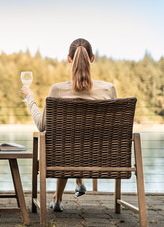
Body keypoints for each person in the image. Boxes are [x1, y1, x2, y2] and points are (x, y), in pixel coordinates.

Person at [21, 38, 117, 212]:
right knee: (77, 142)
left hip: (63, 157)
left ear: (68, 59)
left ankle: (59, 197)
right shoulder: (108, 89)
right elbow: (116, 131)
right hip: (101, 159)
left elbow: (41, 125)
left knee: (67, 145)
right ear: (92, 58)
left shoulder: (57, 90)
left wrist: (30, 98)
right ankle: (76, 183)